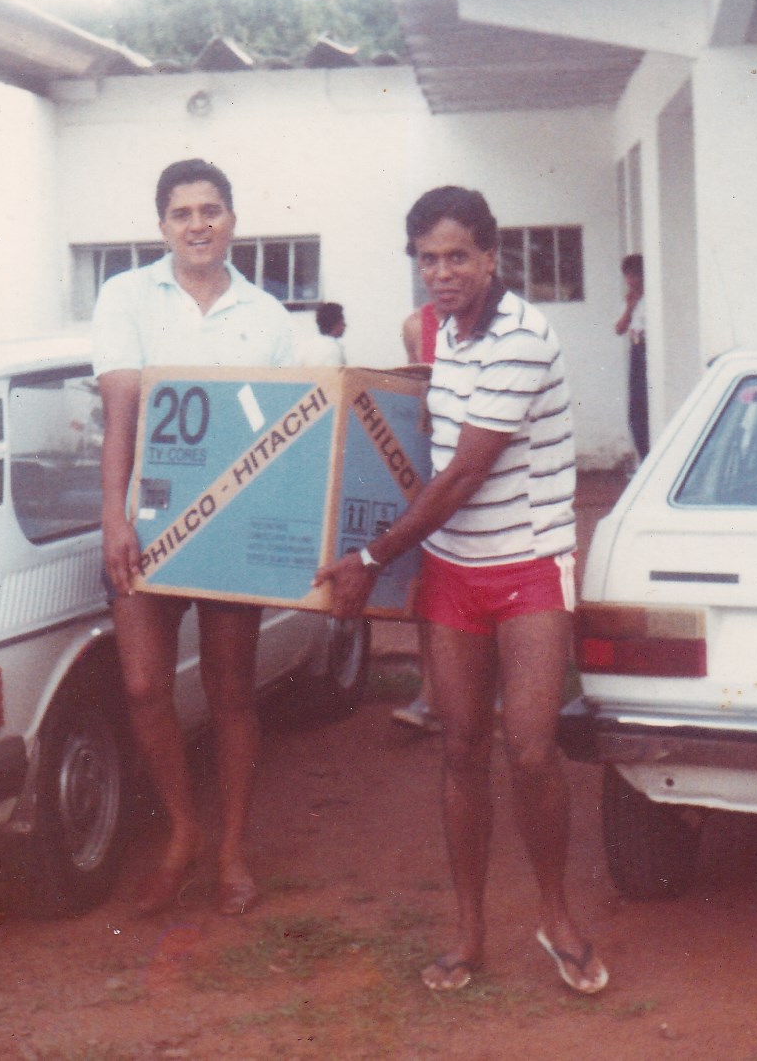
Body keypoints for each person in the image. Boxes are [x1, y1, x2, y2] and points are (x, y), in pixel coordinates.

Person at [315, 186, 609, 996]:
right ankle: (470, 934)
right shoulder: (440, 332)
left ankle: (556, 917)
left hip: (528, 567)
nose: (441, 273)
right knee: (460, 749)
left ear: (490, 257)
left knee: (533, 750)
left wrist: (370, 556)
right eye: (427, 259)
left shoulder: (524, 336)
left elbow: (463, 476)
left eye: (457, 257)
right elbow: (425, 442)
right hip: (451, 573)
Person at [93, 158, 296, 918]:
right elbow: (120, 414)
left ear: (232, 220)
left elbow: (285, 431)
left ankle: (233, 849)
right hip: (147, 523)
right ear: (162, 226)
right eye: (182, 213)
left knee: (231, 690)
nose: (198, 224)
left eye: (211, 210)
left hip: (231, 526)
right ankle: (183, 831)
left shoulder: (266, 316)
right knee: (144, 686)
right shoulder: (125, 296)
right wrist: (114, 515)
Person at [390, 299, 443, 734]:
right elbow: (415, 398)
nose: (444, 272)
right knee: (430, 580)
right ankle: (430, 695)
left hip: (490, 465)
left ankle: (496, 687)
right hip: (434, 463)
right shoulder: (416, 326)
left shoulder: (506, 322)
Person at [615, 253, 648, 462]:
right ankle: (642, 456)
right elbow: (619, 329)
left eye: (634, 275)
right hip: (636, 350)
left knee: (645, 406)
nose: (630, 280)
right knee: (635, 410)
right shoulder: (631, 299)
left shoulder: (652, 298)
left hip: (647, 350)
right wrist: (630, 307)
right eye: (627, 276)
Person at [294, 301, 348, 367]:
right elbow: (335, 373)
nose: (345, 325)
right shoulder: (334, 349)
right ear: (336, 324)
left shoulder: (305, 347)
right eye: (342, 321)